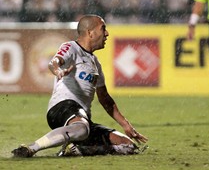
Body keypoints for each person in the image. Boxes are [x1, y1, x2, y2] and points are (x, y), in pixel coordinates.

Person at [12, 14, 148, 157]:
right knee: (82, 129)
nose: (107, 33)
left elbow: (105, 99)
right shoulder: (71, 48)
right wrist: (58, 70)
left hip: (82, 119)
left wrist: (126, 126)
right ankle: (31, 148)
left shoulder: (95, 64)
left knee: (127, 146)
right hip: (62, 107)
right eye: (103, 29)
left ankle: (77, 150)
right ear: (90, 32)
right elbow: (54, 62)